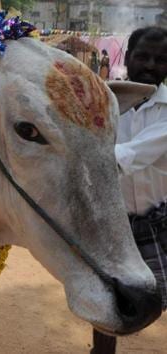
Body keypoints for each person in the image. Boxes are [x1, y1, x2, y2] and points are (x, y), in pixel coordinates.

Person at [92, 26, 167, 354]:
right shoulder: (104, 103)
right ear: (128, 57)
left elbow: (136, 153)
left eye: (161, 59)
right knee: (107, 301)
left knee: (162, 295)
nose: (150, 64)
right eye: (143, 56)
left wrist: (88, 158)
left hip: (159, 220)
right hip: (114, 222)